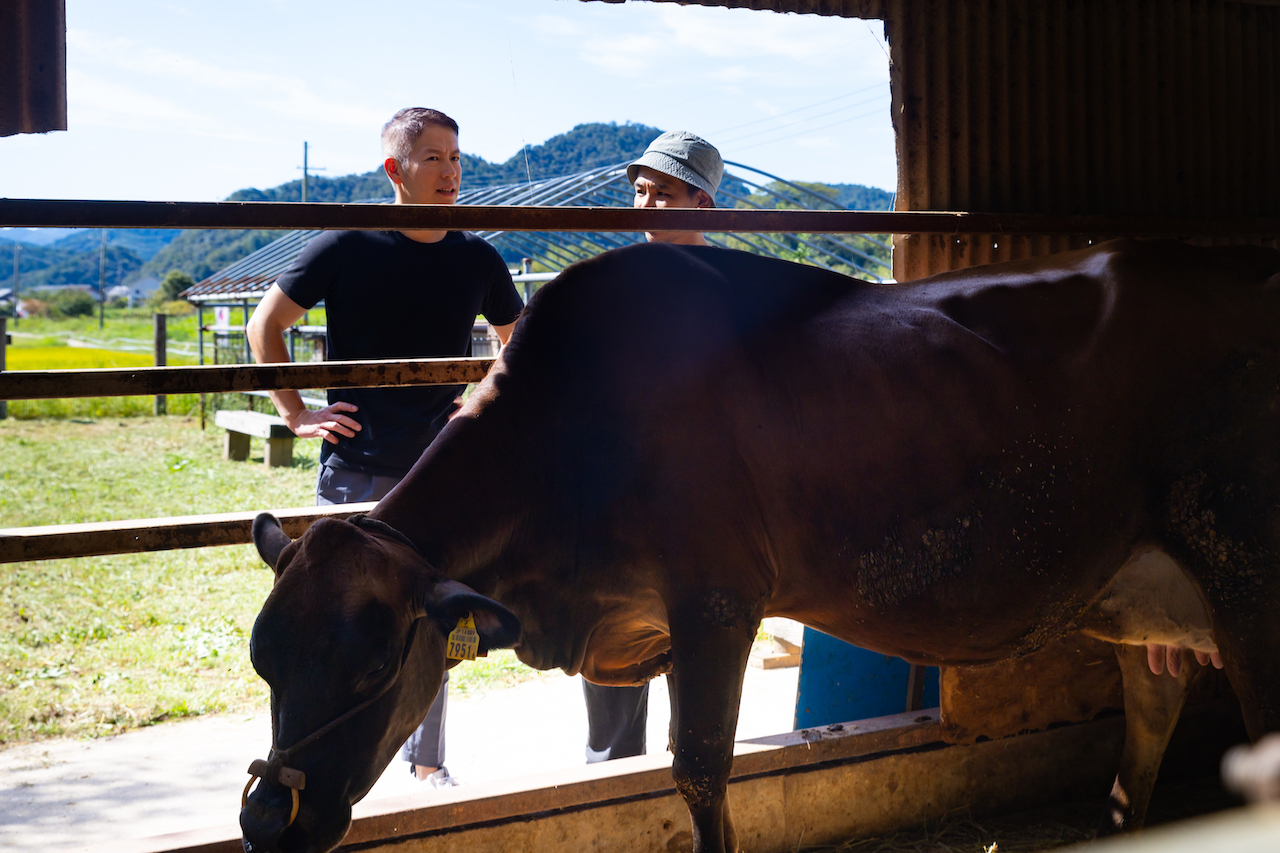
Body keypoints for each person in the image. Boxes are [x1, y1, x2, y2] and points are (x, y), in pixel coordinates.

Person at [246, 107, 526, 787]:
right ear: (395, 170)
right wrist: (295, 412)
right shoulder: (345, 247)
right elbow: (266, 325)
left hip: (435, 482)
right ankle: (302, 766)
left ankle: (426, 765)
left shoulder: (477, 257)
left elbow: (516, 339)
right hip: (353, 472)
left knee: (430, 629)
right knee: (328, 632)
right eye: (434, 158)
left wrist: (484, 398)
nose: (451, 172)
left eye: (457, 157)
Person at [580, 130, 726, 765]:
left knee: (700, 625)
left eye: (662, 193)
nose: (643, 205)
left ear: (703, 204)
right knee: (614, 616)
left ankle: (687, 756)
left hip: (702, 482)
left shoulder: (727, 284)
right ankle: (613, 763)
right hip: (625, 479)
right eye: (639, 191)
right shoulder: (610, 281)